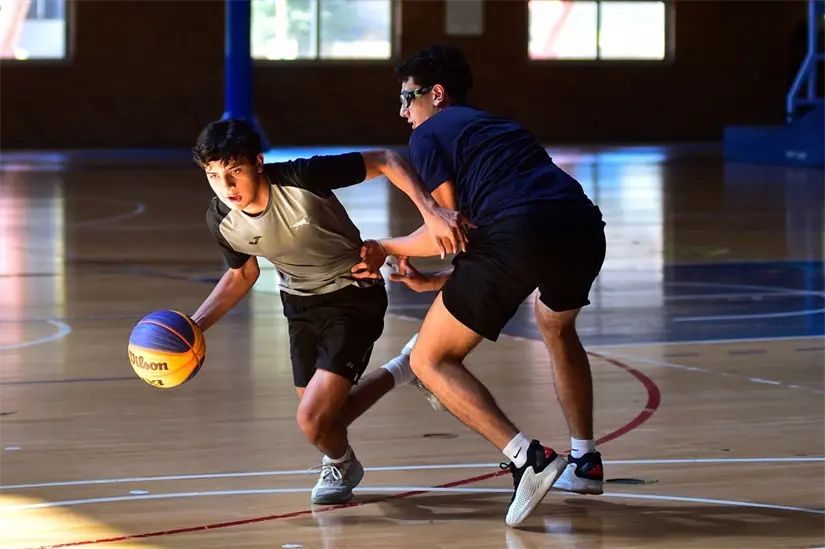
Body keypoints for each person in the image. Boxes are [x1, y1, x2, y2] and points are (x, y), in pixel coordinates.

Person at [357, 44, 607, 527]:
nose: (404, 112)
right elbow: (499, 240)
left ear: (436, 94)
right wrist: (436, 283)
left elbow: (447, 229)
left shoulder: (428, 135)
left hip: (521, 233)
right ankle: (585, 460)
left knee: (429, 360)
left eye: (407, 98)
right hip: (582, 227)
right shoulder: (501, 127)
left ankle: (528, 458)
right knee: (556, 326)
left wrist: (384, 247)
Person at [188, 118, 470, 505]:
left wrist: (431, 211)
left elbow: (386, 159)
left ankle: (339, 463)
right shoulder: (220, 218)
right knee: (324, 419)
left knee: (311, 418)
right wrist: (196, 325)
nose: (226, 186)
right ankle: (406, 369)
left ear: (257, 162)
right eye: (214, 175)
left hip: (354, 292)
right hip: (299, 305)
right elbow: (242, 274)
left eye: (234, 171)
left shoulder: (302, 178)